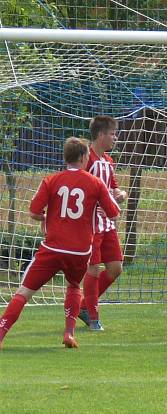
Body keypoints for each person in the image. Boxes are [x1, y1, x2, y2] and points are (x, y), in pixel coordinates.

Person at [0, 138, 120, 350]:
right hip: (81, 251)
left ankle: (1, 333)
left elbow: (34, 212)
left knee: (24, 292)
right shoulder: (95, 183)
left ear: (66, 157)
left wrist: (45, 218)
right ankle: (69, 333)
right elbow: (114, 213)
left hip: (53, 248)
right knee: (73, 286)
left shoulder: (51, 180)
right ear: (84, 158)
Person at [77, 115, 127, 331]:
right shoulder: (86, 159)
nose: (115, 138)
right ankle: (94, 317)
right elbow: (77, 184)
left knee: (115, 268)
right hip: (90, 223)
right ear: (100, 135)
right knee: (93, 269)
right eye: (112, 134)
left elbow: (112, 186)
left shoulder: (108, 161)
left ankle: (82, 306)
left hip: (107, 222)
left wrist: (118, 193)